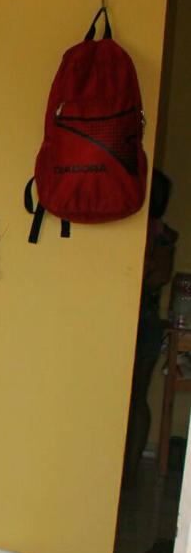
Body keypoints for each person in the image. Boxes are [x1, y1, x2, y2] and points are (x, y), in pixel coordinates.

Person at [123, 168, 177, 489]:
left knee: (135, 398)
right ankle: (125, 472)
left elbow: (158, 277)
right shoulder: (156, 233)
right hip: (140, 318)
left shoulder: (156, 235)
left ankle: (128, 473)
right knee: (133, 398)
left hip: (142, 320)